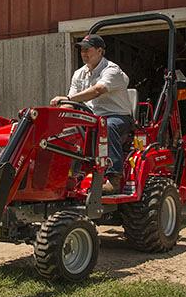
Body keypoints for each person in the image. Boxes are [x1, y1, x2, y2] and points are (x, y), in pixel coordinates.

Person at [50, 34, 134, 194]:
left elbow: (98, 90)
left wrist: (67, 98)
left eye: (87, 49)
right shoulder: (79, 74)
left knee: (107, 127)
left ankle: (114, 178)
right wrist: (57, 121)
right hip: (91, 118)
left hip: (116, 117)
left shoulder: (112, 70)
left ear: (100, 51)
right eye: (82, 50)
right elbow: (71, 104)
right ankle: (67, 177)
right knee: (67, 133)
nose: (84, 53)